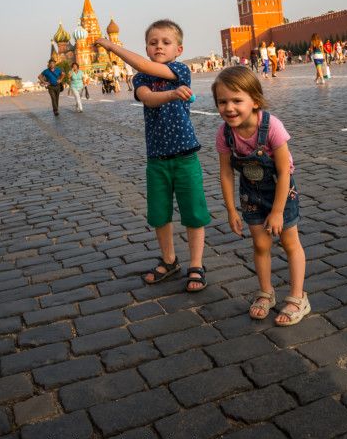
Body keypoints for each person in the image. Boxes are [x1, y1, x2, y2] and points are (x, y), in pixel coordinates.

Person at [95, 19, 211, 292]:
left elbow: (150, 67)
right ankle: (169, 261)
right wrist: (171, 95)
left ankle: (196, 265)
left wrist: (113, 47)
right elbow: (148, 98)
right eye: (153, 42)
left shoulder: (180, 70)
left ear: (178, 50)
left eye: (166, 42)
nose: (159, 46)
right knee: (159, 214)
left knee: (194, 213)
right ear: (146, 48)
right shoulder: (141, 78)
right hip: (157, 159)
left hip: (185, 156)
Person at [212, 67, 309, 325]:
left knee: (290, 244)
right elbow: (225, 173)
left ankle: (298, 297)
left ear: (255, 101)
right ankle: (266, 293)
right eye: (222, 102)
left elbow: (283, 172)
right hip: (250, 194)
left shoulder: (272, 126)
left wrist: (277, 210)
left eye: (236, 100)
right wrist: (232, 210)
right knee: (260, 245)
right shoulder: (224, 134)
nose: (229, 108)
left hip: (281, 191)